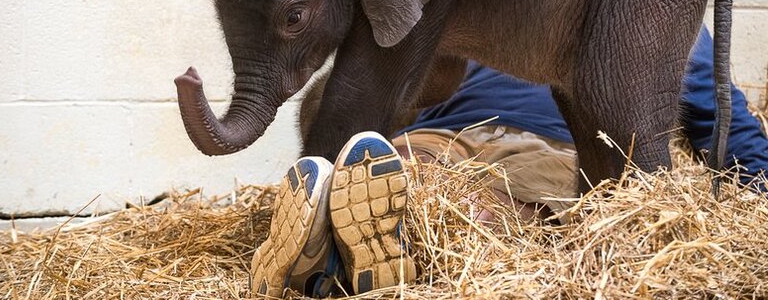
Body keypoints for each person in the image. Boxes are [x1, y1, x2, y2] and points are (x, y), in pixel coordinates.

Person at [249, 27, 768, 298]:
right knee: (440, 198)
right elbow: (727, 131)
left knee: (432, 189)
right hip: (496, 144)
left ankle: (328, 245)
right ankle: (365, 251)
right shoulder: (656, 5)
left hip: (481, 142)